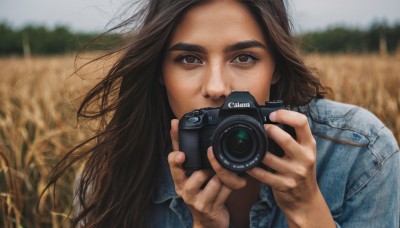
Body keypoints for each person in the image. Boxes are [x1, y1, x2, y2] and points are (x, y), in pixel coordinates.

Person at [45, 0, 400, 227]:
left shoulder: (358, 154)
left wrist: (308, 210)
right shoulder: (110, 181)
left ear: (276, 67)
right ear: (159, 73)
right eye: (189, 59)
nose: (217, 87)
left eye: (244, 57)